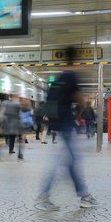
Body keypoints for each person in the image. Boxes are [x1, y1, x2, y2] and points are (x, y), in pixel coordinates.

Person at [38, 46, 98, 210]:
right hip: (66, 123)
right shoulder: (72, 76)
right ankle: (45, 196)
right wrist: (79, 111)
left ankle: (83, 194)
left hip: (59, 122)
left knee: (69, 160)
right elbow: (80, 100)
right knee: (69, 160)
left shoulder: (59, 77)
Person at [0, 95, 24, 160]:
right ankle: (20, 154)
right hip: (17, 124)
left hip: (8, 124)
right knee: (20, 139)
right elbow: (21, 114)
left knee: (11, 137)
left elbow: (3, 114)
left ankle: (10, 149)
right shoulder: (18, 105)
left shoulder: (5, 104)